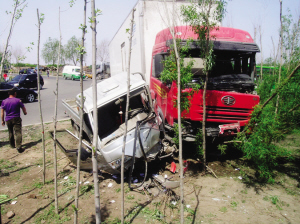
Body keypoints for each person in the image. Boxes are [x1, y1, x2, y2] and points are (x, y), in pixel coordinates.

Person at [1, 88, 27, 153]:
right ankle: (18, 146)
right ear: (15, 93)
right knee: (18, 132)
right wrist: (25, 113)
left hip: (8, 119)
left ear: (8, 94)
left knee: (10, 132)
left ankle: (12, 145)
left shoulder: (4, 101)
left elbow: (2, 112)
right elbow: (23, 108)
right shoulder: (18, 100)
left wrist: (2, 120)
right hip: (16, 118)